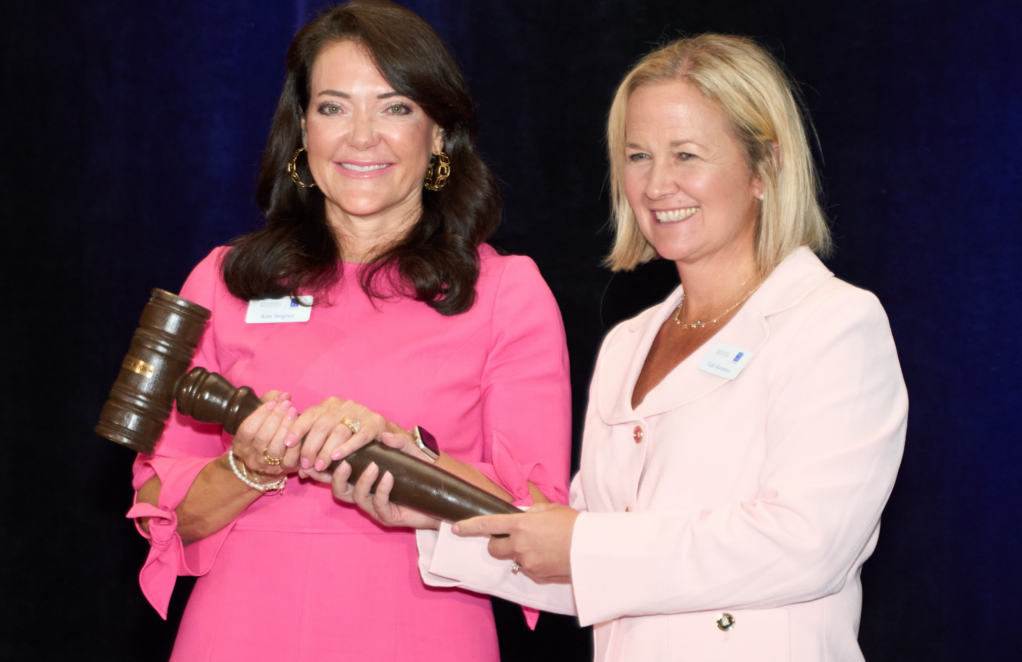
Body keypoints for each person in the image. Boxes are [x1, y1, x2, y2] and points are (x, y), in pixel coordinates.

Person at [347, 34, 908, 661]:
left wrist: (583, 545)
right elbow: (575, 564)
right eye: (638, 156)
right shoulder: (629, 343)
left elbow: (807, 547)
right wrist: (437, 510)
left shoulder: (833, 322)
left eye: (687, 154)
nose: (658, 183)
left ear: (765, 167)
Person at [126, 0, 571, 661]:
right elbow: (161, 511)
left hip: (419, 635)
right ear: (302, 130)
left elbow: (536, 519)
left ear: (440, 132)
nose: (362, 136)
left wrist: (405, 453)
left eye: (395, 107)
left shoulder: (508, 293)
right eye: (334, 107)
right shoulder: (221, 282)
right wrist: (249, 467)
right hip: (236, 633)